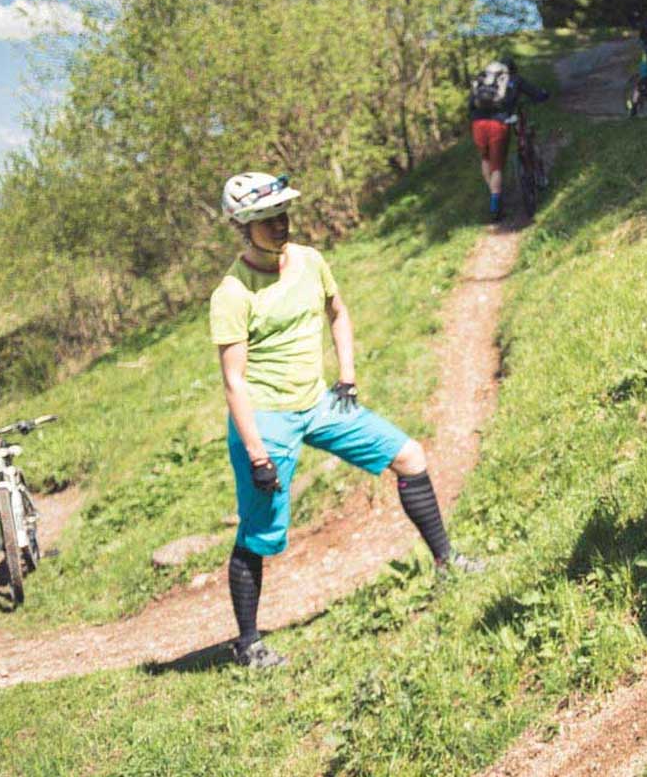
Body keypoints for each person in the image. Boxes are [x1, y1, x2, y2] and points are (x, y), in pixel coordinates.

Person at [211, 172, 470, 669]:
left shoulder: (310, 261)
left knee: (410, 456)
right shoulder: (232, 293)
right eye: (267, 220)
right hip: (266, 421)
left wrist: (346, 376)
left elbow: (338, 312)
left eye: (283, 214)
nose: (280, 224)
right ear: (244, 227)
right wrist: (257, 454)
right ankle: (248, 644)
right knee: (258, 534)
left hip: (321, 403)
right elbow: (234, 382)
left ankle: (446, 562)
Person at [468, 58, 550, 222]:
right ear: (512, 70)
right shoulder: (514, 79)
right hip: (498, 124)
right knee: (497, 167)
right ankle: (495, 206)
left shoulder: (483, 80)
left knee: (486, 159)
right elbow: (537, 94)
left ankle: (494, 192)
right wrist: (544, 95)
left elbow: (471, 105)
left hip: (477, 124)